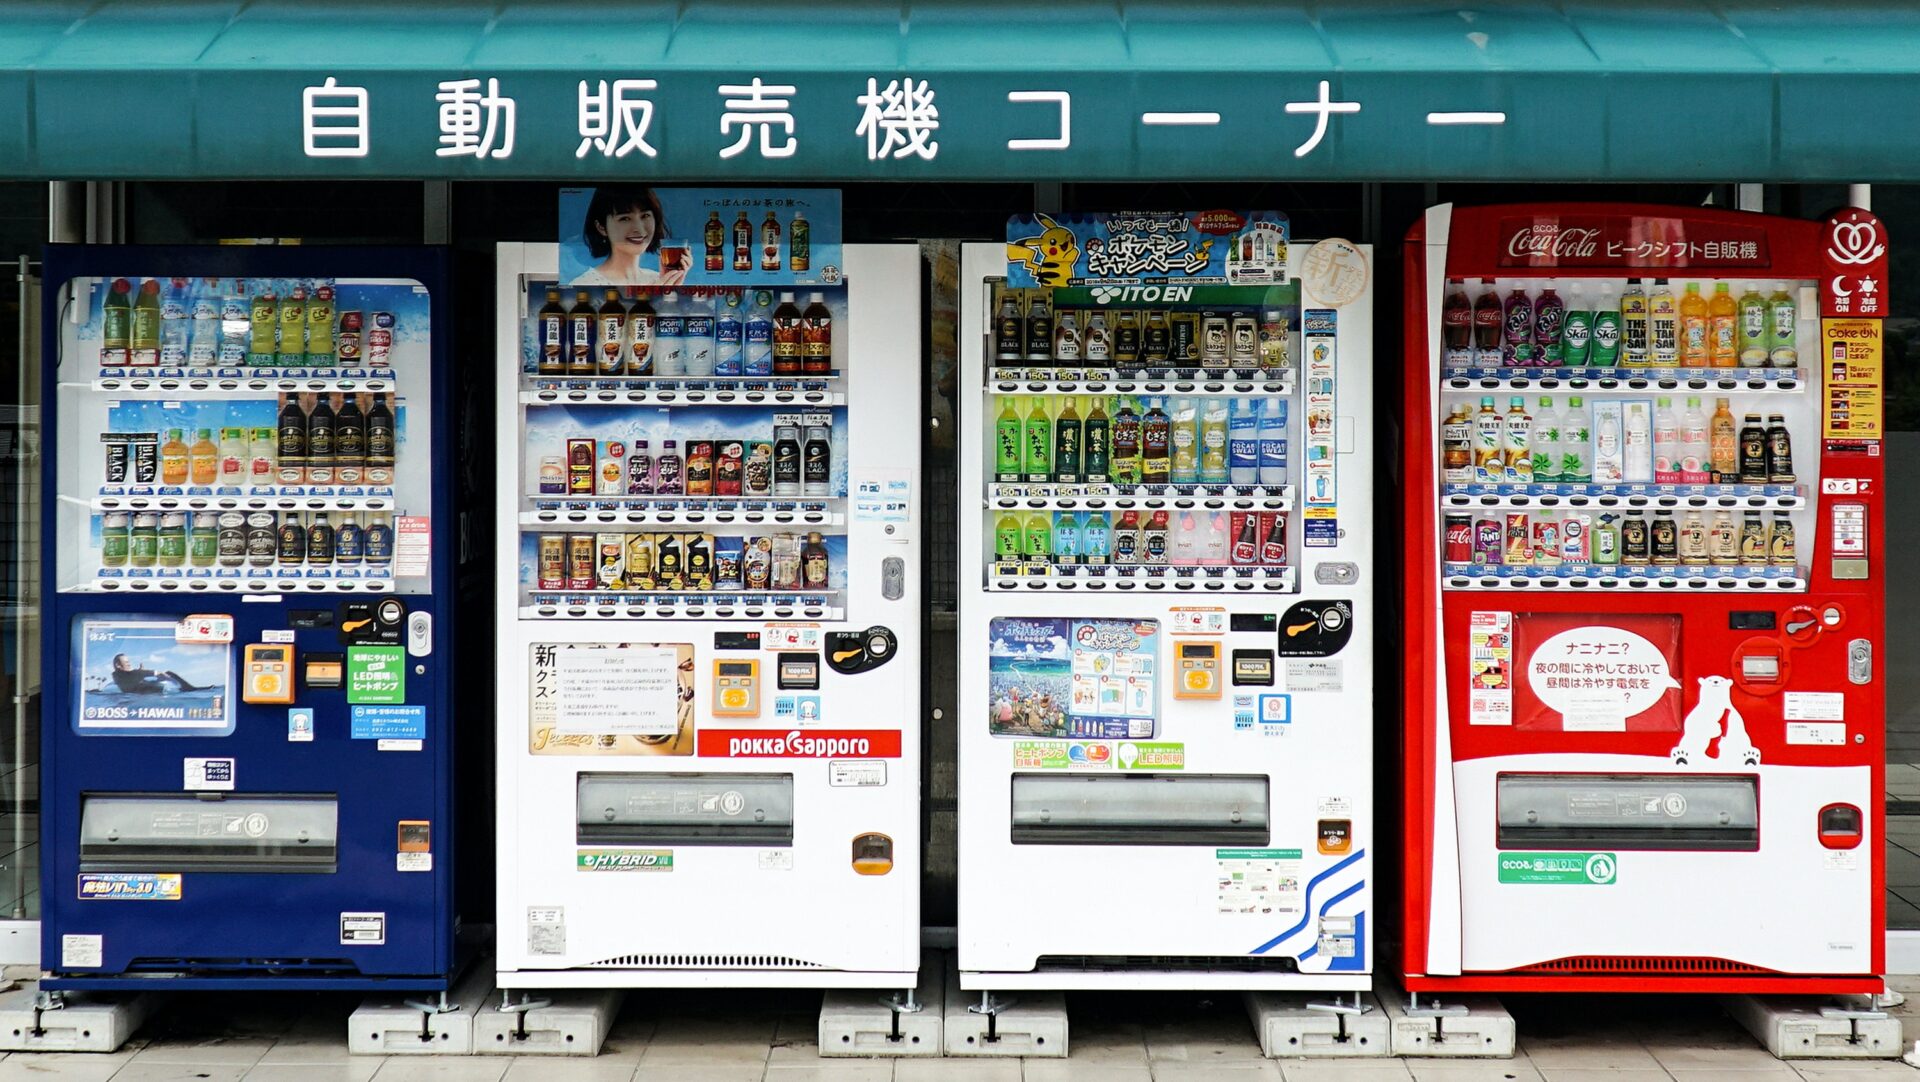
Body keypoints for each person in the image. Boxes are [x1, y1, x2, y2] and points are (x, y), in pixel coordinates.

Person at [575, 186, 689, 287]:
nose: (639, 229)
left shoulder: (657, 279)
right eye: (625, 218)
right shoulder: (585, 284)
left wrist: (675, 280)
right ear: (601, 227)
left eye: (645, 215)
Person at [109, 653, 211, 694]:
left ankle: (188, 689)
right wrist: (158, 673)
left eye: (129, 661)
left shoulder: (117, 676)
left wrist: (140, 672)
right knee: (168, 673)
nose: (129, 663)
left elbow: (132, 675)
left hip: (143, 689)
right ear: (118, 665)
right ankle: (190, 689)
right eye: (126, 662)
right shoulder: (125, 675)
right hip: (152, 692)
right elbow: (134, 674)